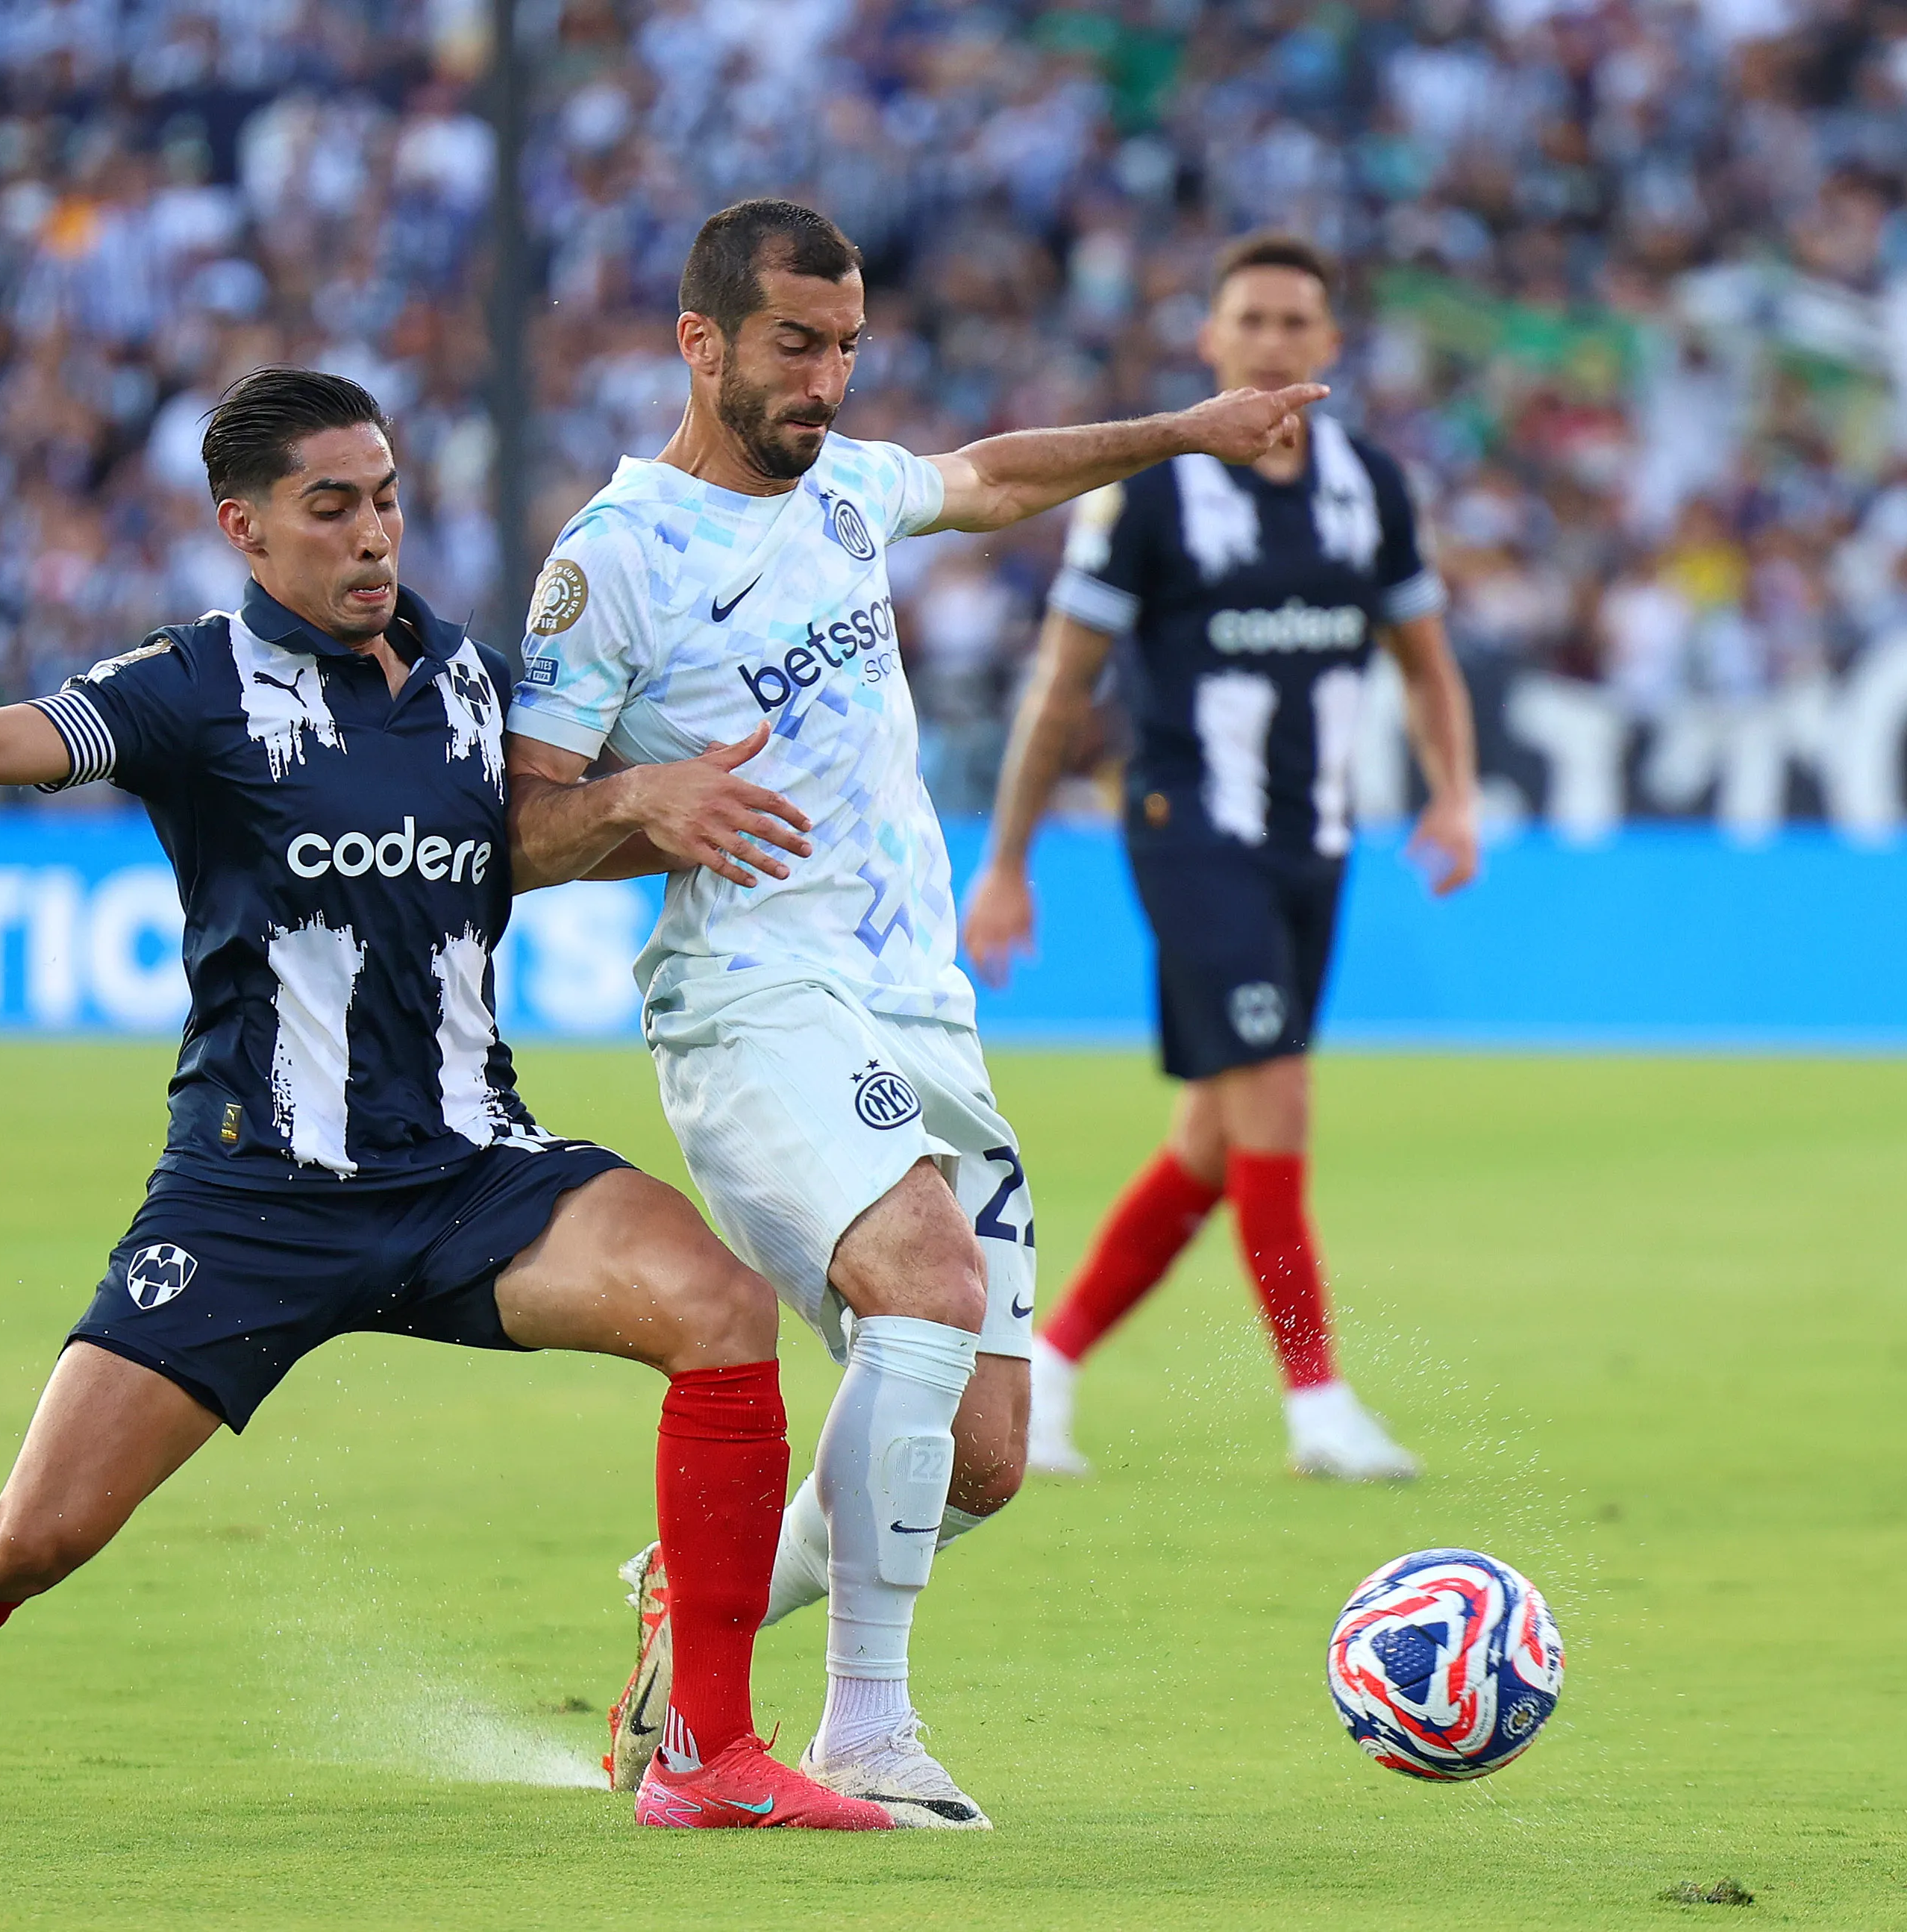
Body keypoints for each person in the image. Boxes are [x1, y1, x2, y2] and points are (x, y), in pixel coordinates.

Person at [0, 367, 892, 1832]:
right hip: (251, 1196)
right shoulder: (194, 685)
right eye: (329, 507)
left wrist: (653, 812)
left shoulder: (469, 682)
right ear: (246, 528)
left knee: (718, 1312)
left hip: (471, 1167)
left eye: (388, 501)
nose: (371, 538)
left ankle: (705, 1757)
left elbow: (522, 848)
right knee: (35, 1535)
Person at [501, 199, 1326, 1828]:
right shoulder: (614, 559)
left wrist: (1184, 430)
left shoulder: (849, 493)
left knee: (984, 1455)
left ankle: (701, 1590)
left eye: (846, 348)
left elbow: (997, 473)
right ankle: (861, 1728)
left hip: (914, 1008)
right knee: (929, 1289)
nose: (825, 379)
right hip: (752, 997)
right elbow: (517, 834)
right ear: (702, 341)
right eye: (795, 346)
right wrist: (644, 803)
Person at [959, 234, 1481, 1484]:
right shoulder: (1146, 495)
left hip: (1313, 845)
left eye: (1295, 319)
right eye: (1247, 318)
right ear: (1208, 339)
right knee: (1276, 1102)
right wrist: (1007, 859)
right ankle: (1316, 1406)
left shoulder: (1371, 487)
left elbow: (1422, 660)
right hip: (1188, 834)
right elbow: (1058, 687)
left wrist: (1455, 791)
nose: (1270, 340)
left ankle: (1052, 1369)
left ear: (1329, 345)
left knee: (1214, 1137)